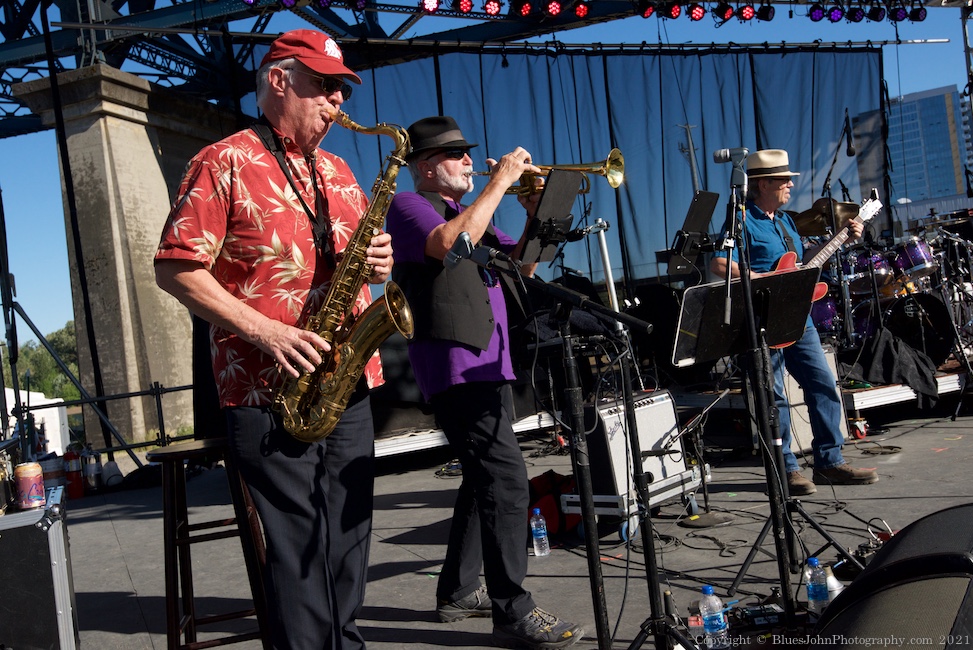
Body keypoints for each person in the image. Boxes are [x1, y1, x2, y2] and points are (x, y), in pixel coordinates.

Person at [155, 29, 394, 649]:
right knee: (297, 553)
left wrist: (380, 262)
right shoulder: (224, 160)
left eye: (341, 90)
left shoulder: (340, 171)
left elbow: (360, 258)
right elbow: (175, 268)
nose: (337, 102)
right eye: (324, 86)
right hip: (271, 389)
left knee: (348, 538)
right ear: (280, 80)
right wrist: (265, 331)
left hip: (347, 383)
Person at [385, 116, 584, 650]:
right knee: (507, 482)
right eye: (459, 155)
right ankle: (512, 612)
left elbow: (525, 270)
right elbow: (449, 246)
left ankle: (455, 592)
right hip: (454, 366)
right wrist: (500, 183)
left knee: (483, 479)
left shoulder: (468, 211)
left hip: (488, 362)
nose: (473, 163)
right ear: (428, 166)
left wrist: (539, 209)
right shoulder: (410, 206)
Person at [710, 149, 879, 496]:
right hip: (760, 318)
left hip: (797, 316)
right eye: (784, 180)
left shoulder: (786, 221)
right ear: (762, 184)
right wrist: (759, 276)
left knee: (823, 384)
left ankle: (829, 463)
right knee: (774, 395)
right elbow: (720, 264)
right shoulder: (741, 219)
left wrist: (845, 238)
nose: (790, 184)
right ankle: (786, 468)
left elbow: (802, 267)